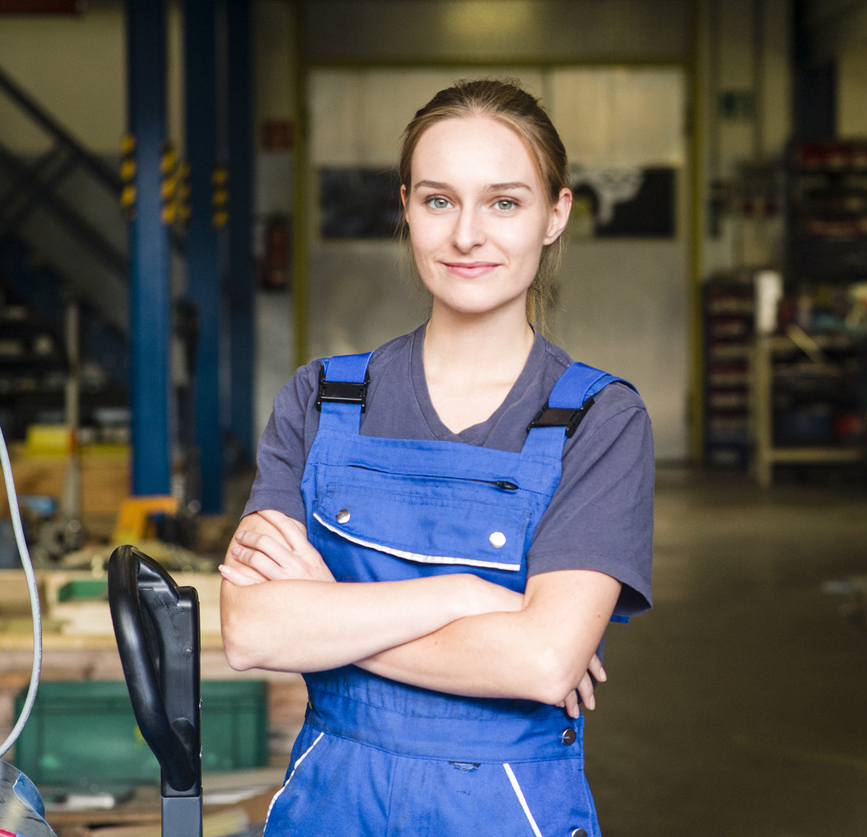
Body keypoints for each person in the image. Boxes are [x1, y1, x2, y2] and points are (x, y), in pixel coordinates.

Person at [218, 78, 654, 837]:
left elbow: (544, 663)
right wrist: (474, 594)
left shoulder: (600, 419)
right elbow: (255, 632)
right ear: (408, 208)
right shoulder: (320, 399)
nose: (467, 236)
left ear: (555, 215)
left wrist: (327, 618)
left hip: (507, 812)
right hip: (329, 805)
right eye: (439, 200)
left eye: (505, 202)